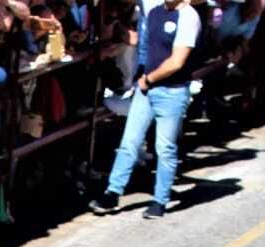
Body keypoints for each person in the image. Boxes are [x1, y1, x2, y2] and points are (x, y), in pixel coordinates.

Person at [86, 0, 201, 220]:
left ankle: (160, 200)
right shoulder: (155, 11)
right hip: (146, 88)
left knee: (165, 147)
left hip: (172, 91)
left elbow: (177, 61)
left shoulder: (188, 17)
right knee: (129, 141)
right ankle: (112, 193)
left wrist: (148, 79)